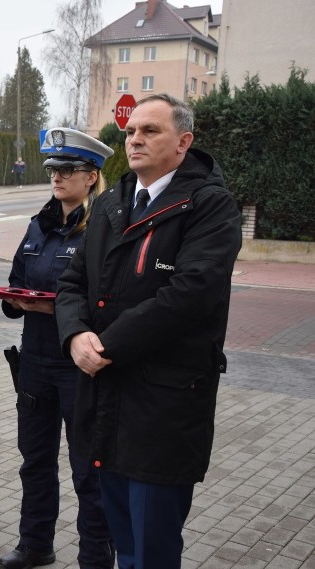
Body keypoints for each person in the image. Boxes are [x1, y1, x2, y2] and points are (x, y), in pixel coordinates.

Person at [56, 94, 242, 569]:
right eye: (131, 131)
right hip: (107, 400)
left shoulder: (210, 206)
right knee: (125, 542)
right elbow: (73, 282)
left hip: (164, 404)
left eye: (150, 131)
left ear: (184, 142)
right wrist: (76, 335)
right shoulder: (114, 202)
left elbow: (190, 294)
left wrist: (107, 345)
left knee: (153, 548)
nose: (134, 139)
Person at [0, 128, 115, 569]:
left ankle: (96, 557)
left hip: (78, 367)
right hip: (35, 362)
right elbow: (17, 284)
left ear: (91, 176)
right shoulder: (38, 225)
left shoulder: (103, 229)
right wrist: (15, 300)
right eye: (53, 169)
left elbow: (107, 301)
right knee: (35, 460)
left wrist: (61, 312)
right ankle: (35, 543)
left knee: (88, 469)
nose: (57, 177)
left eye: (67, 170)